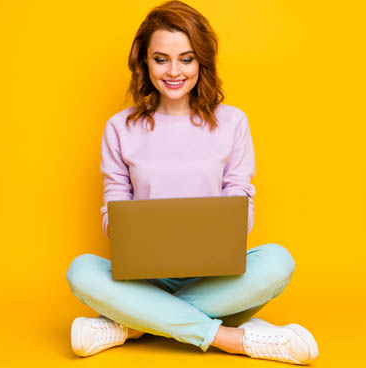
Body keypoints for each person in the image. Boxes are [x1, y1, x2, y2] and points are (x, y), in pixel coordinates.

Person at [64, 1, 319, 365]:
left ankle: (133, 325)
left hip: (216, 279)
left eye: (186, 59)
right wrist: (131, 230)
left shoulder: (232, 123)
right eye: (161, 59)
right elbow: (112, 213)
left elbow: (240, 205)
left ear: (202, 61)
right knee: (82, 271)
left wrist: (217, 230)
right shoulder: (120, 127)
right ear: (144, 62)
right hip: (144, 281)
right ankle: (231, 339)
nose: (174, 71)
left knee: (278, 261)